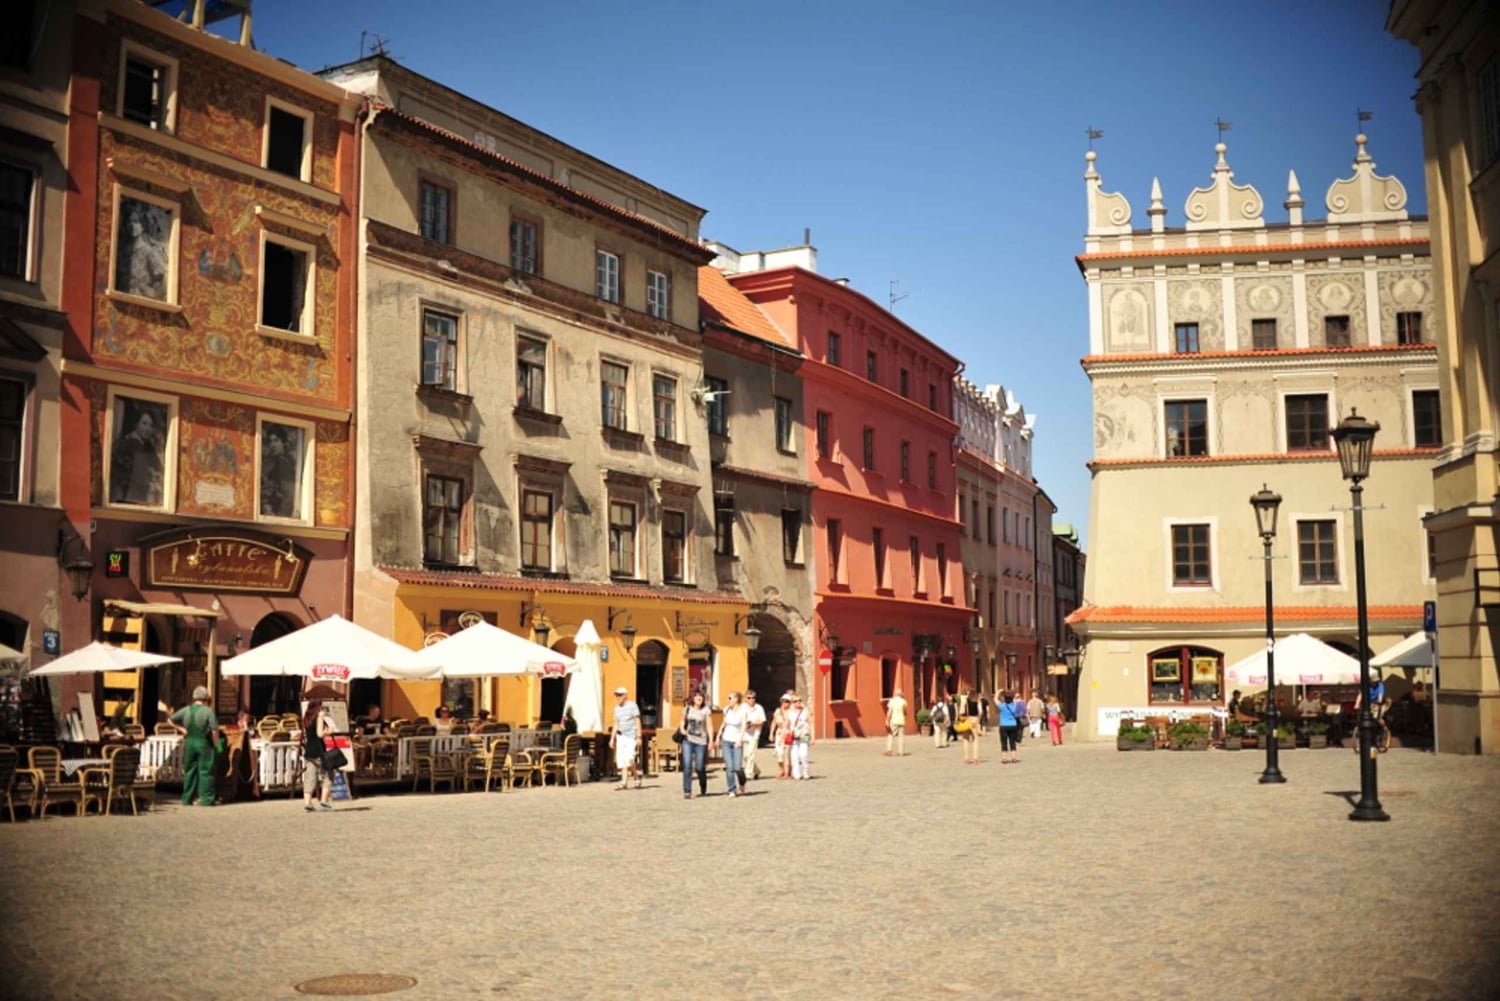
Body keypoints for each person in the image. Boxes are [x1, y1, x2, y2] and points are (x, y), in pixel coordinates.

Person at [170, 686, 219, 807]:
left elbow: (170, 720)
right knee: (205, 771)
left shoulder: (185, 710)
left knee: (189, 771)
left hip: (189, 744)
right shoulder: (208, 711)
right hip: (204, 745)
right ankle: (206, 799)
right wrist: (216, 745)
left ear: (194, 697)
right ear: (205, 698)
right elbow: (214, 731)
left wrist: (181, 729)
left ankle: (187, 799)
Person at [110, 407, 163, 505]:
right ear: (136, 425)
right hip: (129, 496)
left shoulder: (148, 445)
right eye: (144, 423)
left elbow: (158, 466)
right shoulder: (131, 444)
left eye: (151, 426)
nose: (148, 428)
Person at [301, 699, 336, 812]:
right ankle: (324, 801)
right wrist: (329, 731)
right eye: (320, 707)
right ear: (317, 707)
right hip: (319, 750)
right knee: (328, 774)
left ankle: (308, 803)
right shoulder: (319, 717)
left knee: (310, 777)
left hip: (309, 750)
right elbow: (320, 734)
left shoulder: (306, 718)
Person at [678, 690, 711, 798]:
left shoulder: (706, 710)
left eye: (701, 696)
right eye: (697, 696)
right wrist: (682, 728)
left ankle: (703, 783)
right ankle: (687, 791)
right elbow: (682, 721)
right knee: (687, 766)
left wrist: (711, 740)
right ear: (693, 698)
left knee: (699, 767)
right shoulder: (687, 709)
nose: (699, 698)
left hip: (701, 742)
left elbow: (709, 726)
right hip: (688, 740)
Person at [716, 691, 749, 798]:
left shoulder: (743, 711)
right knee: (729, 767)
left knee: (737, 767)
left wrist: (740, 740)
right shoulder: (727, 709)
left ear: (736, 699)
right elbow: (724, 723)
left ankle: (742, 782)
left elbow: (744, 726)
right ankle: (732, 789)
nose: (728, 700)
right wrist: (718, 736)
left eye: (730, 698)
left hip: (736, 741)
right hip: (726, 740)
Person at [610, 686, 643, 790]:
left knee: (629, 758)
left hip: (631, 736)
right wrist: (612, 738)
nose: (618, 697)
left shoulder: (633, 706)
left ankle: (636, 777)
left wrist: (639, 736)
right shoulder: (616, 708)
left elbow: (637, 721)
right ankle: (624, 782)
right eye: (616, 695)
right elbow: (616, 723)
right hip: (621, 736)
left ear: (625, 695)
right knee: (622, 760)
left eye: (619, 695)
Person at [787, 694, 813, 779]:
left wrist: (813, 737)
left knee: (803, 754)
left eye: (800, 700)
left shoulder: (805, 711)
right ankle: (796, 774)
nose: (798, 702)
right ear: (792, 703)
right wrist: (786, 732)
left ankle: (806, 772)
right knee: (794, 756)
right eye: (795, 701)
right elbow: (786, 725)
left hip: (804, 735)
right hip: (794, 736)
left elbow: (811, 723)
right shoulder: (789, 713)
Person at [742, 690, 766, 780]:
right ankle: (757, 771)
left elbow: (763, 721)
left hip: (755, 734)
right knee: (745, 756)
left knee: (751, 754)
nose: (751, 700)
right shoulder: (742, 708)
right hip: (744, 734)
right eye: (749, 698)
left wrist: (754, 724)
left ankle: (748, 774)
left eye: (753, 698)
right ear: (745, 699)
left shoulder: (759, 708)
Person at [995, 690, 1023, 764]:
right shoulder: (1015, 706)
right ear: (1012, 699)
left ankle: (1004, 758)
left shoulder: (1002, 706)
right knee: (1012, 742)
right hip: (1013, 725)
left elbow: (995, 699)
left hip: (1003, 725)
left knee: (1004, 742)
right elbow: (1019, 714)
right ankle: (1014, 758)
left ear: (1004, 698)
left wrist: (998, 692)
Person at [770, 694, 793, 779]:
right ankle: (782, 770)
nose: (785, 703)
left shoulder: (791, 711)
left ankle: (789, 772)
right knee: (779, 753)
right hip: (779, 733)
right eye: (784, 701)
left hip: (788, 732)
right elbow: (774, 722)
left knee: (788, 754)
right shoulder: (777, 711)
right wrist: (771, 733)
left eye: (787, 701)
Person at [884, 687, 908, 757]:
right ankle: (900, 752)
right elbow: (905, 712)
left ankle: (889, 750)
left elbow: (890, 711)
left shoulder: (892, 701)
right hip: (902, 721)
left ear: (895, 694)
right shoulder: (904, 701)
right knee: (901, 737)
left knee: (891, 735)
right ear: (901, 694)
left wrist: (887, 720)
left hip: (894, 721)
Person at [957, 698, 980, 764]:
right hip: (974, 719)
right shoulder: (977, 699)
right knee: (975, 738)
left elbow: (961, 711)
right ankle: (975, 758)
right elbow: (980, 711)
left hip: (966, 720)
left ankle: (966, 758)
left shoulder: (963, 699)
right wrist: (978, 719)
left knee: (966, 739)